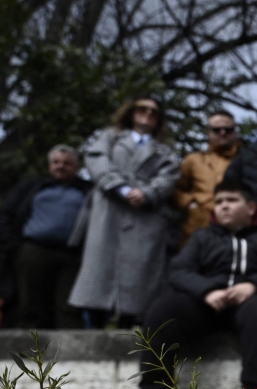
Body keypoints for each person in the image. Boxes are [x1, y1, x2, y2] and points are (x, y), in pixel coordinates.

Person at [138, 179, 257, 389]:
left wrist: (254, 285)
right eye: (219, 201)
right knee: (163, 312)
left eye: (231, 200)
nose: (223, 206)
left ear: (251, 208)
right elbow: (179, 271)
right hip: (206, 302)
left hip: (251, 301)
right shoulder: (202, 237)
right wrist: (206, 290)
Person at [69, 95, 181, 328]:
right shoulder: (109, 137)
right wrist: (119, 187)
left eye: (154, 111)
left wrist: (147, 193)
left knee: (140, 275)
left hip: (145, 216)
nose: (148, 114)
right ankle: (94, 330)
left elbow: (170, 177)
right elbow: (96, 160)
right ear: (131, 112)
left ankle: (129, 327)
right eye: (142, 108)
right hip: (109, 210)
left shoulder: (165, 151)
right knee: (98, 272)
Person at [0, 145, 92, 329]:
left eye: (67, 163)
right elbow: (6, 214)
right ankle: (29, 351)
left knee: (70, 307)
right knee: (30, 304)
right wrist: (12, 245)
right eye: (56, 162)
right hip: (34, 251)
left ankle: (69, 354)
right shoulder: (33, 187)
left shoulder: (86, 191)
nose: (60, 166)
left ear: (77, 168)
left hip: (73, 255)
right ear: (49, 166)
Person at [175, 110, 240, 244]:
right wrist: (190, 204)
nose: (222, 132)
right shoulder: (193, 160)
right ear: (209, 133)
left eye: (228, 129)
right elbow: (175, 189)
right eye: (217, 130)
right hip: (197, 229)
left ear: (235, 132)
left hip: (235, 231)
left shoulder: (245, 161)